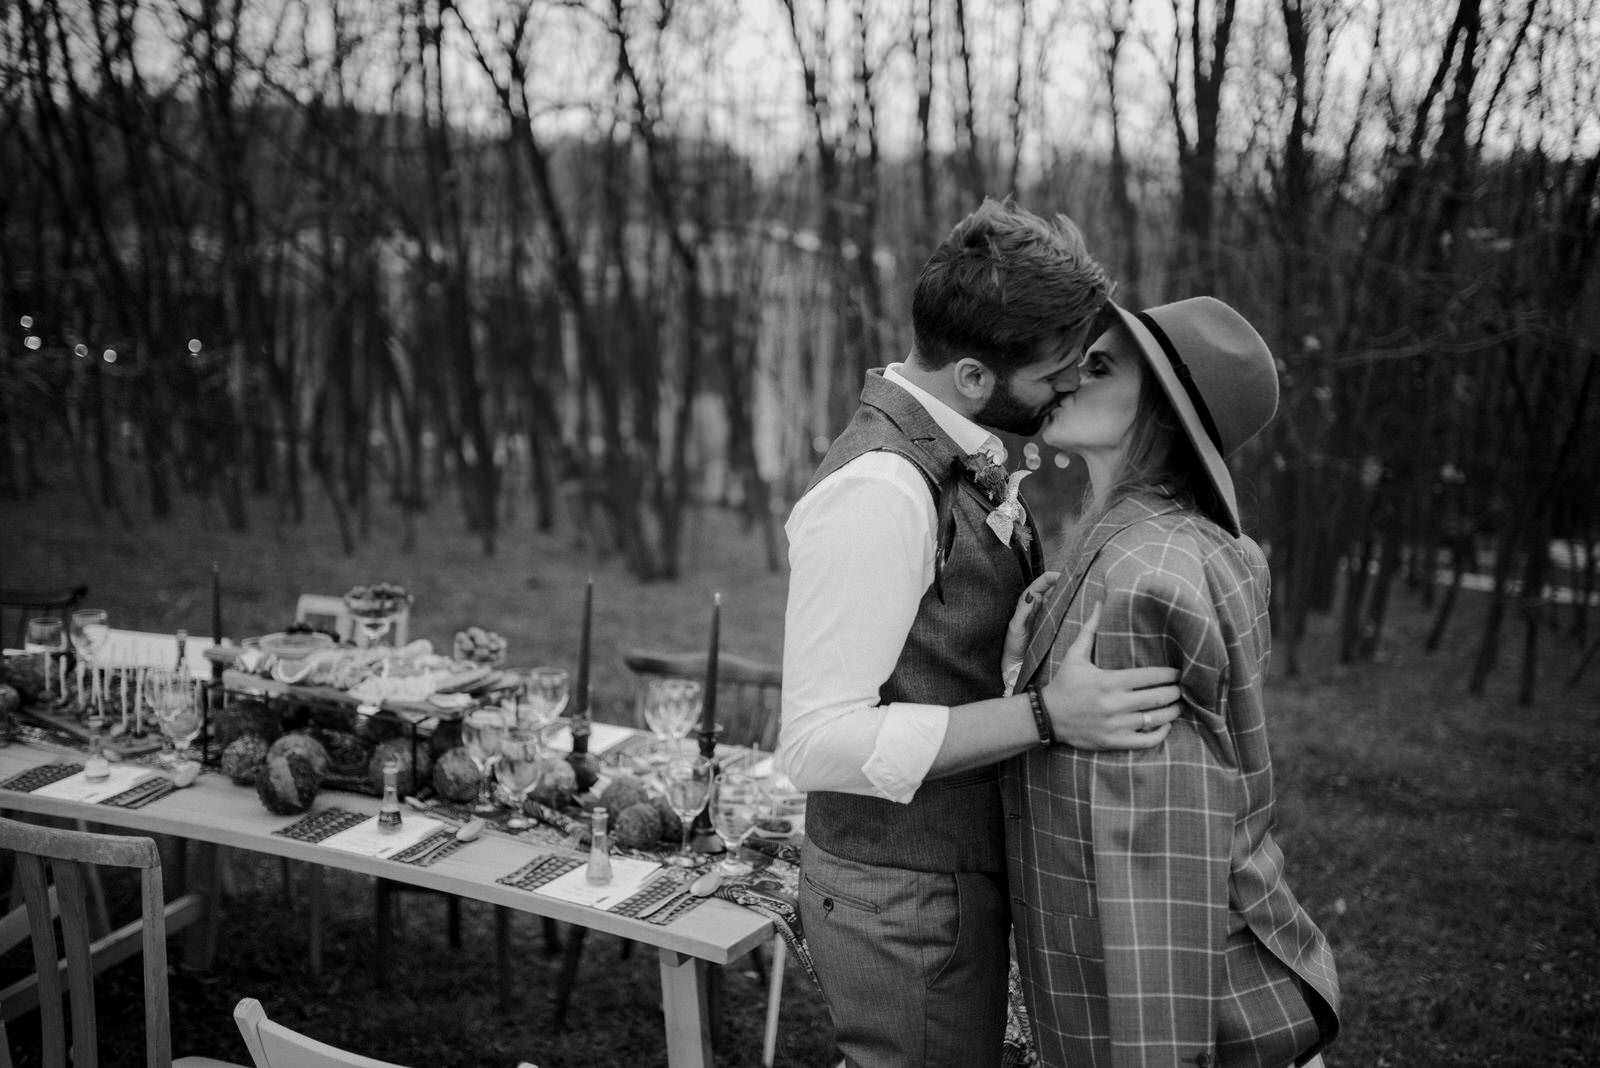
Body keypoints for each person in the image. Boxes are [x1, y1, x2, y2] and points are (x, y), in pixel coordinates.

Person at [777, 197, 1186, 1068]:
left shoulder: (950, 450)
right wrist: (1045, 715)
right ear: (971, 375)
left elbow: (919, 654)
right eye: (1055, 374)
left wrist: (1008, 644)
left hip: (941, 882)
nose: (1069, 388)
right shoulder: (880, 491)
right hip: (901, 896)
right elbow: (817, 743)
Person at [1001, 297, 1341, 1067]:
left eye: (1099, 366)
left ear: (1160, 409)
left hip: (1138, 1012)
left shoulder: (1145, 574)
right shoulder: (1165, 540)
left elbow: (1159, 863)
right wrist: (1020, 672)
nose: (1069, 376)